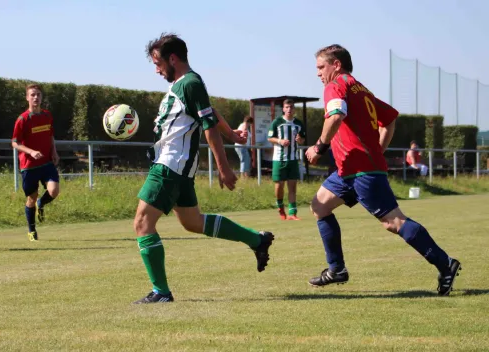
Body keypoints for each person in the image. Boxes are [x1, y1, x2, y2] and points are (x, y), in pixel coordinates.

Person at [304, 44, 461, 296]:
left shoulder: (335, 85)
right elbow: (388, 119)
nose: (318, 73)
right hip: (349, 170)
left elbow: (334, 116)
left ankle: (445, 264)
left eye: (321, 67)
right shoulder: (361, 89)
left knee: (394, 222)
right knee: (319, 206)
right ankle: (337, 270)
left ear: (336, 65)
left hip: (362, 171)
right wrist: (377, 149)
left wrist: (319, 147)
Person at [133, 33, 274, 304]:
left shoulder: (190, 82)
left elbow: (208, 125)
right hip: (178, 167)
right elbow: (208, 111)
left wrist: (223, 167)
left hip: (170, 165)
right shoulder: (187, 84)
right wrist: (232, 134)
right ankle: (257, 240)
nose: (156, 69)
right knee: (192, 223)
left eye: (158, 62)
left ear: (173, 58)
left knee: (142, 222)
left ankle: (161, 292)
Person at [11, 84, 60, 242]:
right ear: (27, 98)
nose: (35, 97)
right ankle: (31, 230)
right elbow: (15, 143)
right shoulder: (22, 119)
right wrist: (30, 151)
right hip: (29, 165)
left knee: (54, 191)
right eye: (32, 95)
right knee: (31, 198)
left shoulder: (47, 115)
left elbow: (51, 135)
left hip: (46, 162)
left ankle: (42, 202)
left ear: (41, 97)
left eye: (38, 94)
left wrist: (54, 151)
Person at [268, 99, 305, 220]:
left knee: (292, 186)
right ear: (283, 109)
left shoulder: (298, 123)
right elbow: (270, 138)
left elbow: (302, 139)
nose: (289, 109)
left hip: (293, 159)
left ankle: (292, 213)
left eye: (291, 107)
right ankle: (280, 207)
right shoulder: (277, 122)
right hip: (279, 159)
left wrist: (300, 140)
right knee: (279, 186)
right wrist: (280, 141)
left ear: (294, 109)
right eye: (287, 107)